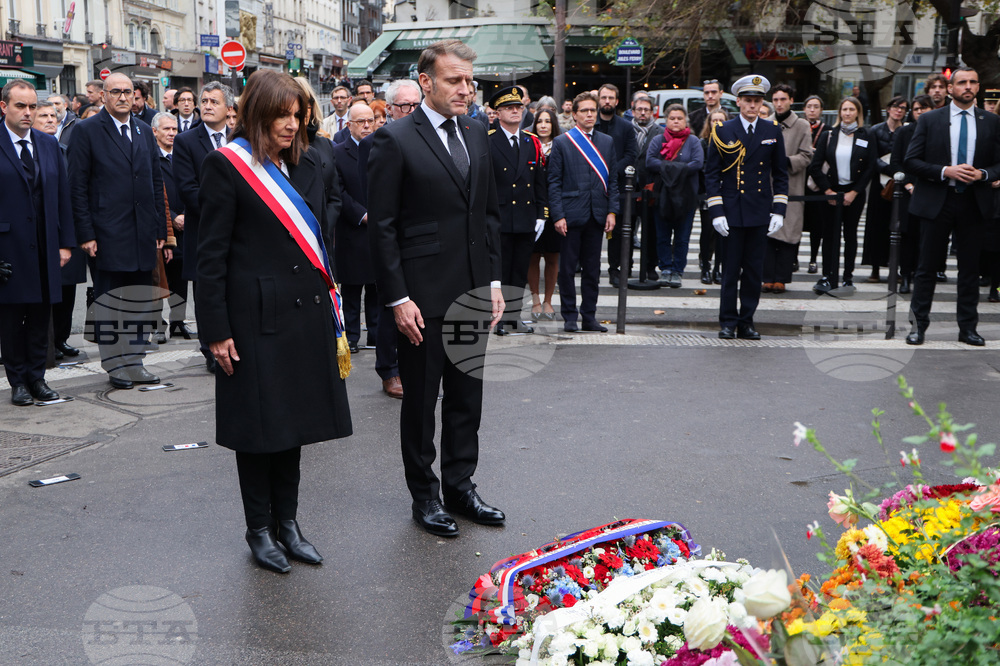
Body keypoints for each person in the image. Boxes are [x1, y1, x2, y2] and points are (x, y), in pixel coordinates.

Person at [196, 70, 351, 573]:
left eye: (298, 116)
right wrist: (216, 330)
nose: (291, 125)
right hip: (253, 319)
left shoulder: (303, 164)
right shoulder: (227, 166)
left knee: (294, 426)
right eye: (282, 116)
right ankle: (259, 529)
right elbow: (210, 256)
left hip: (302, 315)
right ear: (259, 115)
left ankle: (289, 524)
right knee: (259, 430)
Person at [368, 40, 505, 537]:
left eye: (469, 80)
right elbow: (382, 226)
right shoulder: (396, 138)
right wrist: (398, 298)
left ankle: (461, 487)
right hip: (421, 300)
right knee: (422, 404)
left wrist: (492, 281)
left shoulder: (478, 132)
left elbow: (487, 215)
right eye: (454, 80)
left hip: (472, 293)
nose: (466, 89)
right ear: (426, 82)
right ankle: (424, 497)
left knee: (468, 401)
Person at [69, 73, 167, 389]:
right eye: (116, 92)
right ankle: (116, 366)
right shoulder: (87, 131)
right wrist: (86, 234)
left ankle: (135, 362)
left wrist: (159, 227)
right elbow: (78, 186)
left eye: (128, 91)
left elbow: (155, 181)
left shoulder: (142, 130)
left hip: (142, 234)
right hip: (106, 235)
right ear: (104, 96)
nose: (123, 97)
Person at [903, 67, 1000, 346]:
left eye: (972, 82)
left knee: (970, 269)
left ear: (978, 87)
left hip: (974, 202)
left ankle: (968, 328)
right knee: (926, 268)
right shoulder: (931, 120)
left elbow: (997, 163)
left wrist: (984, 174)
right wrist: (946, 170)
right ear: (950, 89)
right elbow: (911, 161)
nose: (967, 87)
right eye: (961, 83)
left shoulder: (991, 122)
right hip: (937, 200)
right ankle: (918, 326)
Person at [0, 80, 76, 405]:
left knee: (40, 316)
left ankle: (38, 377)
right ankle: (17, 381)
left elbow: (62, 199)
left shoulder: (47, 145)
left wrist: (65, 244)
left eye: (32, 106)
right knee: (12, 319)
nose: (28, 113)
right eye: (21, 106)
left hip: (45, 245)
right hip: (9, 248)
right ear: (4, 107)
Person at [705, 75, 788, 340]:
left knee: (754, 271)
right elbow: (711, 174)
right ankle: (728, 321)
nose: (753, 106)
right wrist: (716, 212)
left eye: (757, 101)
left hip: (759, 209)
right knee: (730, 271)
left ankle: (747, 320)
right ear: (738, 102)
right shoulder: (723, 131)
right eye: (748, 101)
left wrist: (779, 210)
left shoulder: (772, 130)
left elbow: (780, 173)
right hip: (731, 210)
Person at [358, 77, 417, 400]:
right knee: (389, 307)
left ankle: (413, 369)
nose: (409, 110)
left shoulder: (429, 138)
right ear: (391, 108)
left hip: (421, 240)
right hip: (391, 237)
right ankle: (389, 370)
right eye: (404, 105)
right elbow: (376, 199)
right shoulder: (376, 141)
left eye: (415, 105)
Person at [173, 82, 235, 371]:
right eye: (204, 101)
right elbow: (188, 189)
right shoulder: (186, 141)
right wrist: (225, 212)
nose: (207, 106)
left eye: (214, 101)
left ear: (228, 109)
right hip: (204, 230)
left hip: (239, 231)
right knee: (206, 289)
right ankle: (210, 347)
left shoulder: (238, 137)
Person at [549, 91, 619, 332]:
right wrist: (557, 215)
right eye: (585, 111)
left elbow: (613, 182)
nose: (590, 114)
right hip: (570, 215)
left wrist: (612, 211)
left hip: (597, 214)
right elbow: (554, 182)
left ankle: (589, 316)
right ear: (575, 114)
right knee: (567, 270)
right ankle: (569, 316)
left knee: (592, 270)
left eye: (593, 110)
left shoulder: (607, 142)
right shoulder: (562, 142)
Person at [486, 86, 546, 336]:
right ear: (498, 113)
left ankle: (513, 317)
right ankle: (498, 318)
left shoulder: (531, 141)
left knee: (520, 270)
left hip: (524, 217)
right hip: (499, 217)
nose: (515, 111)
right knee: (499, 271)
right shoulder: (488, 140)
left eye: (518, 107)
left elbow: (540, 180)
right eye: (509, 107)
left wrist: (542, 214)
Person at [33, 99, 87, 360]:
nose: (50, 120)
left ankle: (62, 338)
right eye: (43, 115)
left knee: (67, 291)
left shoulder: (65, 150)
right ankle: (45, 344)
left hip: (67, 231)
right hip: (38, 233)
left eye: (53, 116)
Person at [808, 96, 875, 293]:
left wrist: (855, 192)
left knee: (850, 236)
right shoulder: (829, 135)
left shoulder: (866, 135)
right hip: (831, 192)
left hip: (854, 193)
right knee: (829, 235)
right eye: (844, 109)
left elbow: (870, 167)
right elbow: (815, 166)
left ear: (858, 113)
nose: (847, 113)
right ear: (839, 113)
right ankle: (828, 275)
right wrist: (827, 190)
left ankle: (847, 277)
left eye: (851, 110)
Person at [334, 100, 379, 353]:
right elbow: (338, 192)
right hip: (352, 231)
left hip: (377, 231)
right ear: (349, 125)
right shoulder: (338, 152)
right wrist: (362, 215)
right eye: (360, 121)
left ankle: (374, 333)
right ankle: (351, 336)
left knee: (376, 289)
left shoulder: (381, 148)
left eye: (370, 120)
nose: (366, 126)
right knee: (351, 291)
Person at [763, 84, 814, 294]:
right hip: (766, 186)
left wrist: (784, 161)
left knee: (789, 231)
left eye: (783, 99)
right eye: (775, 100)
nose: (779, 103)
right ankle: (766, 277)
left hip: (791, 186)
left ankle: (782, 278)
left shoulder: (801, 125)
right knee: (766, 232)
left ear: (791, 100)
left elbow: (807, 156)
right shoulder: (765, 123)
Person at [646, 103, 702, 288]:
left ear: (685, 120)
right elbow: (650, 161)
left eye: (679, 118)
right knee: (662, 235)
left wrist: (669, 167)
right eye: (672, 118)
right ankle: (666, 269)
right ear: (666, 120)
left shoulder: (693, 141)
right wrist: (679, 168)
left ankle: (678, 270)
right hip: (662, 195)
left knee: (682, 236)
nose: (676, 121)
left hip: (686, 196)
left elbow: (697, 163)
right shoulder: (658, 139)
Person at [151, 111, 192, 339]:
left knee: (181, 277)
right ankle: (157, 324)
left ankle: (179, 321)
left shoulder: (182, 156)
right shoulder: (151, 157)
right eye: (166, 129)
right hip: (162, 226)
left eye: (174, 129)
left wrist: (185, 214)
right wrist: (173, 216)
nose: (171, 134)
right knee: (159, 278)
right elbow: (156, 194)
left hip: (185, 225)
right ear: (155, 131)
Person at [596, 84, 638, 287]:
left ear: (617, 101)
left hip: (619, 188)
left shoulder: (626, 126)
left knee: (619, 233)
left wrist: (611, 171)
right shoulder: (591, 124)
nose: (606, 101)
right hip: (593, 187)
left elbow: (632, 154)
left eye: (610, 98)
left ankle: (617, 269)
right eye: (603, 97)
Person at [862, 96, 907, 283]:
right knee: (875, 225)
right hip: (878, 183)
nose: (899, 111)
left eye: (903, 108)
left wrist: (897, 171)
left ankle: (893, 267)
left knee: (896, 226)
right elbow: (871, 156)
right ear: (888, 109)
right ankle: (874, 267)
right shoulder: (875, 130)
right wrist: (887, 169)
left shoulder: (906, 131)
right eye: (896, 107)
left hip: (899, 183)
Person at [890, 94, 931, 294]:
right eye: (916, 109)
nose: (920, 112)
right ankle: (905, 276)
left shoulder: (940, 131)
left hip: (931, 190)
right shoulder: (904, 132)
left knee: (927, 237)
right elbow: (896, 161)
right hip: (909, 191)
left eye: (924, 108)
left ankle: (921, 275)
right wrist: (907, 183)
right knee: (907, 236)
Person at [527, 107, 561, 321]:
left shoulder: (561, 145)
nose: (543, 125)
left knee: (552, 257)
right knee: (532, 257)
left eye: (548, 121)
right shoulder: (529, 145)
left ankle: (548, 300)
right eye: (540, 121)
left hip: (555, 207)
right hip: (533, 209)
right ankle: (536, 300)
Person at [630, 92, 665, 281]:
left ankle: (651, 266)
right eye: (639, 109)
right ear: (633, 111)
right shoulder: (626, 130)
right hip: (629, 187)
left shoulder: (660, 132)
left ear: (652, 112)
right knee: (627, 228)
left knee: (651, 231)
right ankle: (625, 265)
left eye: (646, 110)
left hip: (651, 187)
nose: (642, 113)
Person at [697, 109, 729, 284]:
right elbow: (703, 168)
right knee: (707, 231)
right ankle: (706, 267)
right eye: (713, 120)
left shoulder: (731, 142)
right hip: (708, 193)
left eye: (720, 120)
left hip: (727, 193)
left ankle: (718, 268)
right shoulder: (703, 143)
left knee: (722, 234)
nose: (717, 123)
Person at [802, 95, 827, 274]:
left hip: (817, 181)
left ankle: (813, 258)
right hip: (799, 179)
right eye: (809, 106)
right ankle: (793, 257)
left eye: (816, 107)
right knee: (796, 221)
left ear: (821, 110)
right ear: (804, 109)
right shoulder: (799, 127)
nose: (812, 110)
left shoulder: (827, 131)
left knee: (817, 224)